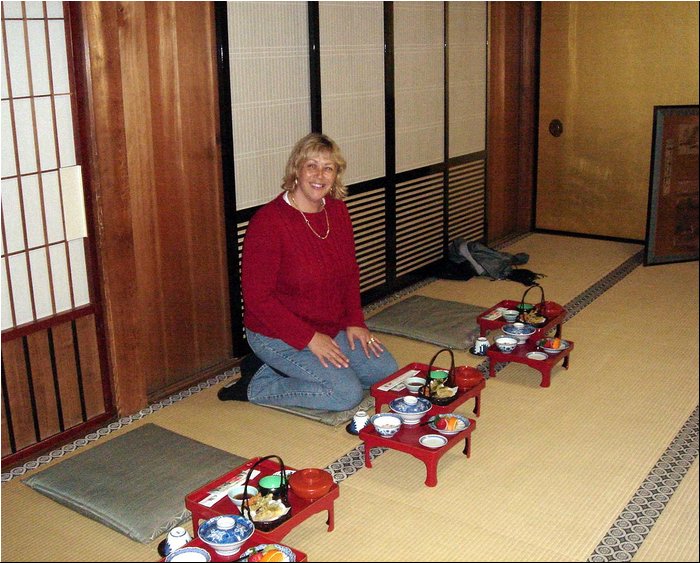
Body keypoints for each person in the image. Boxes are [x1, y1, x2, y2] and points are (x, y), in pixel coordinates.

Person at [218, 133, 398, 411]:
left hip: (329, 327)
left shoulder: (337, 212)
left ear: (336, 174)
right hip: (276, 333)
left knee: (385, 372)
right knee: (345, 394)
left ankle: (304, 369)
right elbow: (258, 300)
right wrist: (310, 339)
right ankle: (258, 382)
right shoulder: (268, 223)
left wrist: (355, 321)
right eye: (311, 165)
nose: (319, 175)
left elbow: (349, 273)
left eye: (328, 167)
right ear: (297, 170)